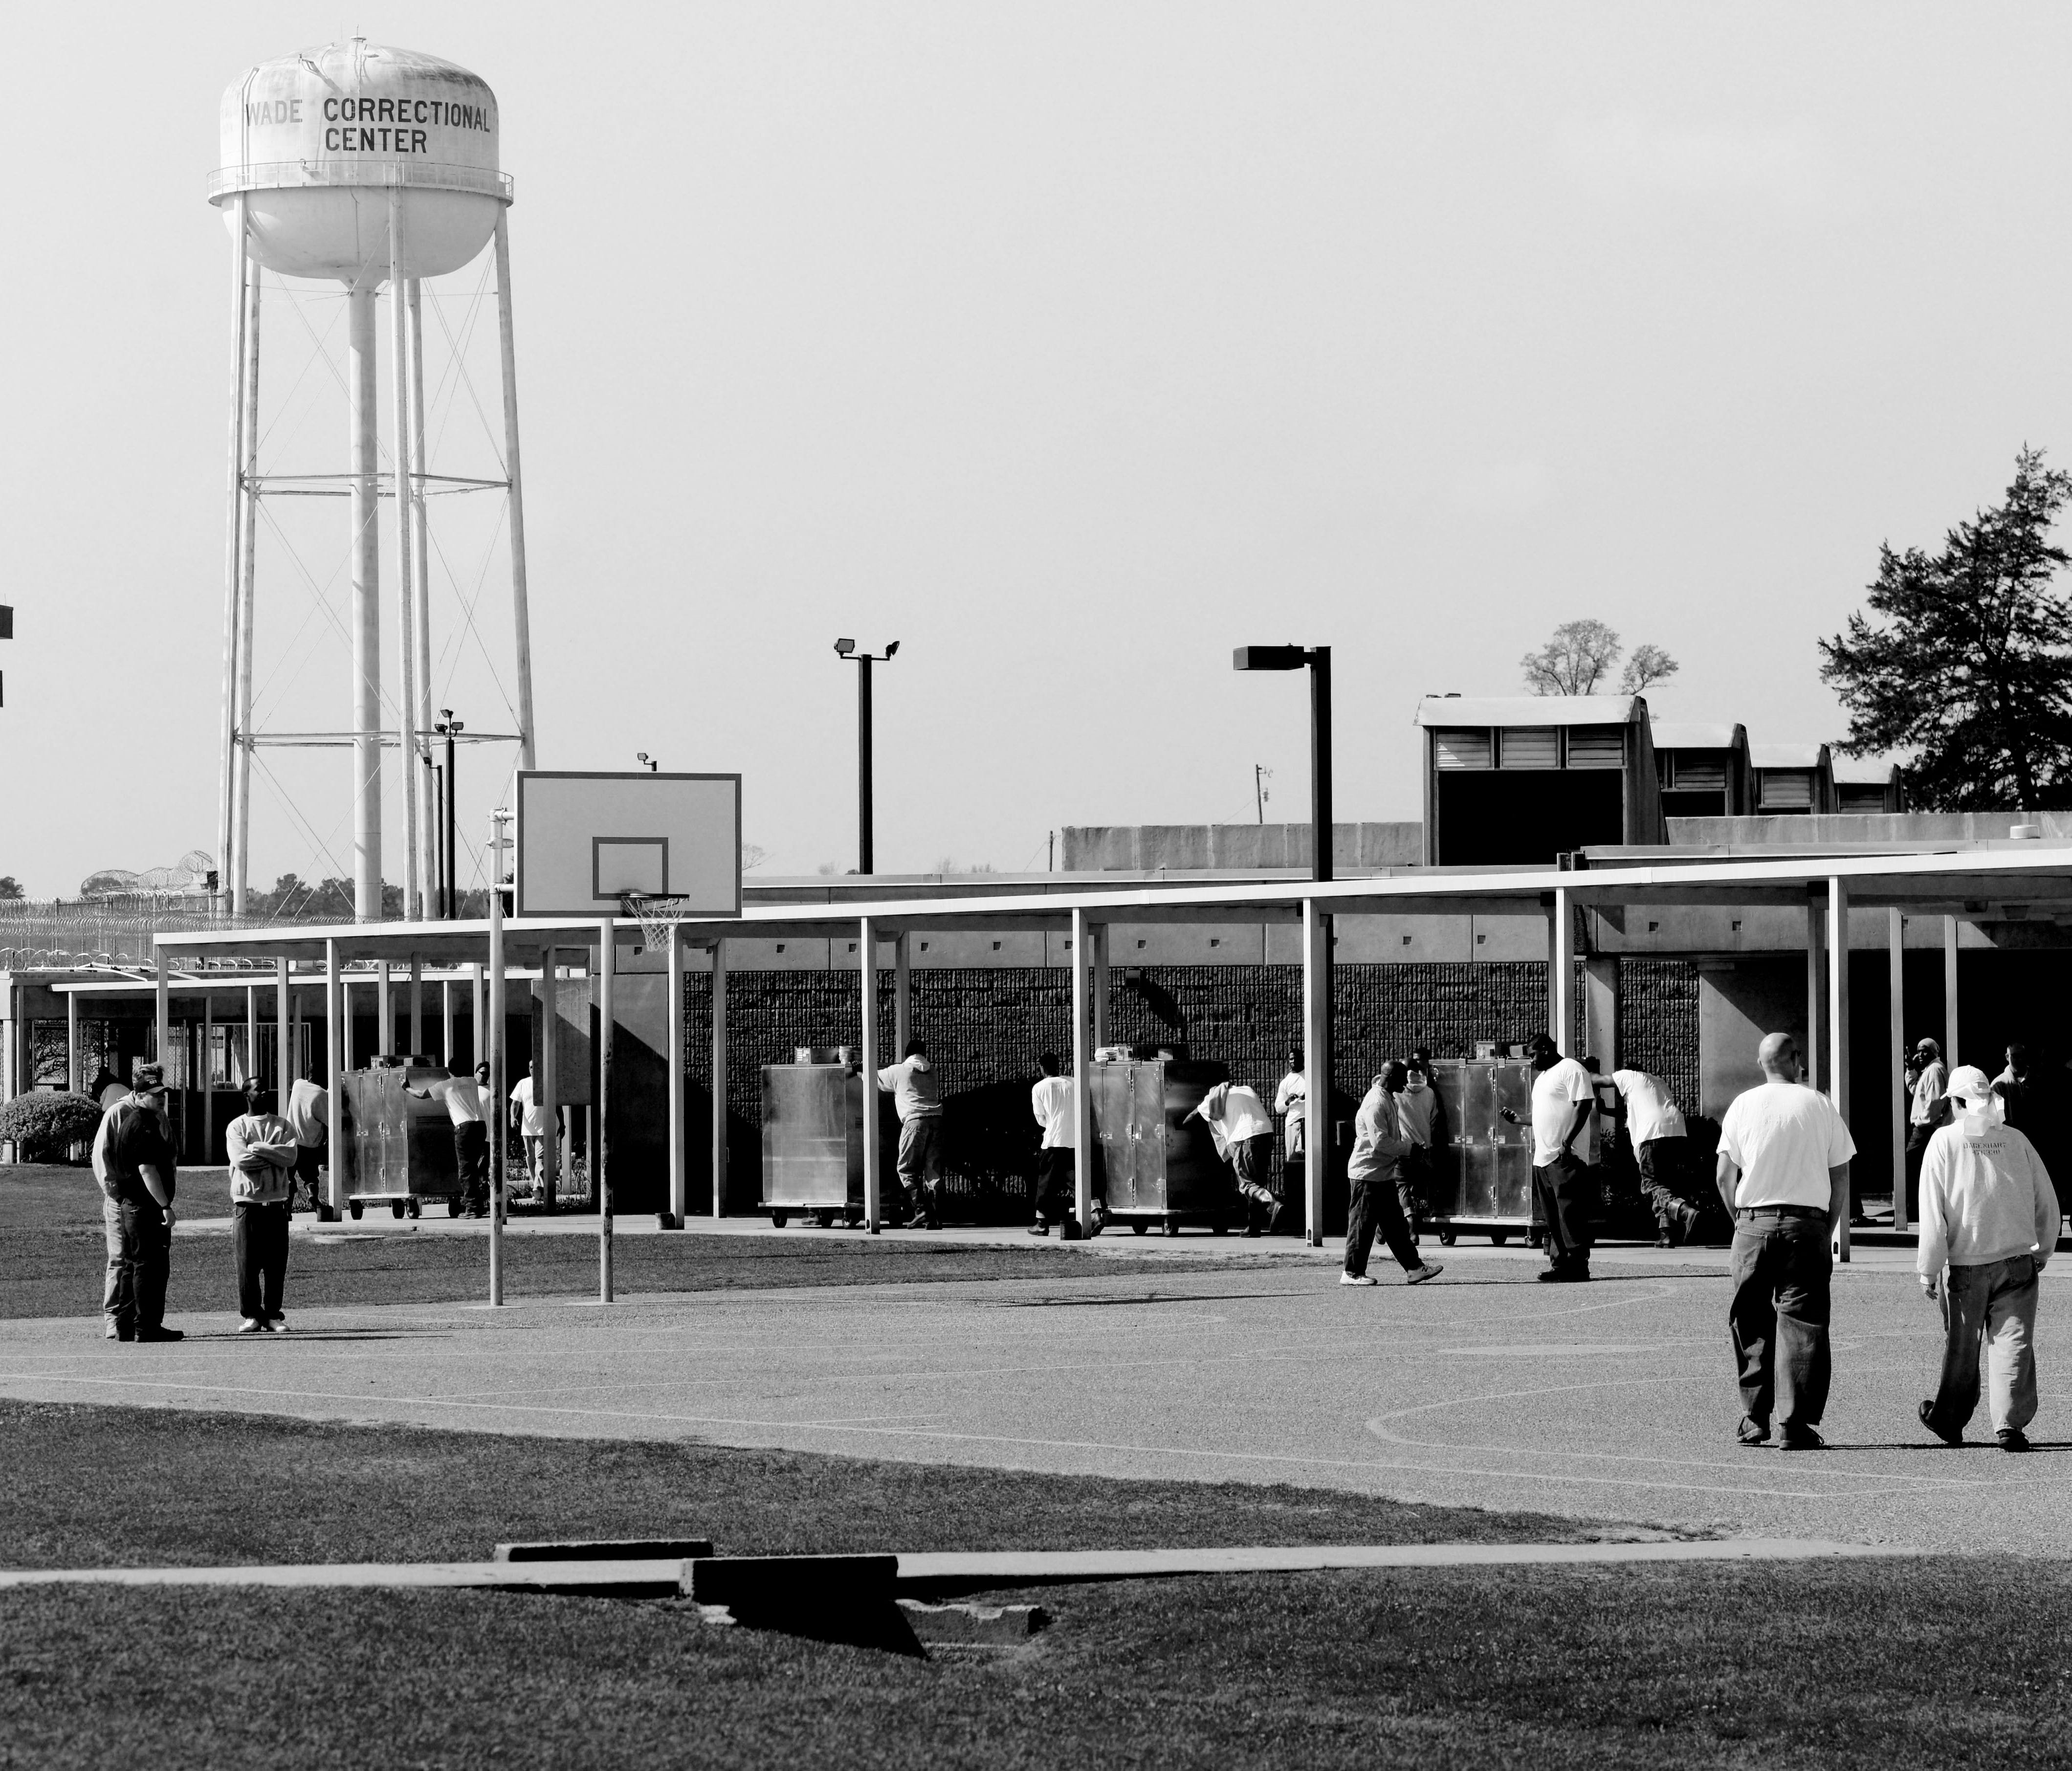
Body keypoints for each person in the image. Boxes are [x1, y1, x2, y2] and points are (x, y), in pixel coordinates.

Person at [1715, 1032, 1854, 1451]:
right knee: (1803, 1321)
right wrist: (1826, 1226)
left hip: (1753, 1223)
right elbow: (1840, 1175)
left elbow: (1724, 1176)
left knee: (1751, 1319)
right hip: (1806, 1224)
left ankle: (1754, 1417)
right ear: (1797, 1060)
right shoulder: (1819, 1105)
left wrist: (1741, 1222)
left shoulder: (1743, 1105)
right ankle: (1794, 1423)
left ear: (1761, 1064)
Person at [1916, 1065, 2059, 1452]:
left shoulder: (1944, 1142)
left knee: (1963, 1346)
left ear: (1956, 1102)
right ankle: (2010, 1424)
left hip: (1966, 1261)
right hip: (2017, 1259)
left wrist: (1929, 1268)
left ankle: (1949, 1419)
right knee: (2014, 1341)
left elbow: (1932, 1212)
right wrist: (2044, 1247)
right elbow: (2045, 1199)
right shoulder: (2016, 1139)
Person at [1501, 1034, 1597, 1283]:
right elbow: (1542, 1115)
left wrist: (1567, 1142)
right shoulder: (1543, 1079)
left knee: (1569, 1214)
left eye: (1533, 1055)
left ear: (1546, 1049)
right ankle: (1560, 1265)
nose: (1531, 1061)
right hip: (1543, 1159)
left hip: (1565, 1156)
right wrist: (1518, 1120)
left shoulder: (1571, 1069)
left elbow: (1584, 1105)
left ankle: (1578, 1266)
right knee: (1553, 1218)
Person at [100, 1064, 183, 1343]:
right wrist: (165, 1205)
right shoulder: (143, 1124)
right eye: (154, 1094)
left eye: (162, 1093)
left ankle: (125, 1326)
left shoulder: (140, 1120)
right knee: (150, 1267)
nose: (161, 1098)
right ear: (139, 1095)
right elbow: (147, 1170)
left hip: (133, 1206)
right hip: (143, 1207)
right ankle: (147, 1326)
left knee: (132, 1265)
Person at [1341, 1061, 1443, 1286]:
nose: (1405, 1085)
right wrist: (1409, 1149)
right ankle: (1352, 1272)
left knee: (1396, 1226)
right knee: (1361, 1225)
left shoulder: (1388, 1098)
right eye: (1402, 1080)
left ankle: (1414, 1269)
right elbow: (1379, 1142)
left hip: (1382, 1174)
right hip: (1367, 1174)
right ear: (1391, 1078)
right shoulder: (1377, 1103)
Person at [225, 1080, 299, 1333]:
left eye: (267, 1088)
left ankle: (273, 1315)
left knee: (276, 1265)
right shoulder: (237, 1126)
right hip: (247, 1205)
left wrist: (257, 1147)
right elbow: (241, 1160)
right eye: (259, 1089)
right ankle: (252, 1315)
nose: (265, 1092)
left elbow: (290, 1157)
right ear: (247, 1095)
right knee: (247, 1265)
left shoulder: (283, 1126)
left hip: (276, 1205)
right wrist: (274, 1155)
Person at [1610, 1066, 1702, 1247]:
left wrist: (1585, 1073)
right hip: (1676, 1132)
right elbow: (1627, 1113)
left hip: (1653, 1134)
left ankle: (1685, 1211)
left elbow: (1598, 1079)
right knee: (1664, 1185)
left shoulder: (1629, 1077)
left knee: (1651, 1185)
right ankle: (1666, 1235)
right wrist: (1605, 1110)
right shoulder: (1656, 1084)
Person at [1185, 1077, 1281, 1235]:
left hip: (1245, 1137)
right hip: (1266, 1134)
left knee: (1247, 1184)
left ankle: (1273, 1204)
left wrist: (1177, 1124)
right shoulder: (1247, 1090)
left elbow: (1193, 1117)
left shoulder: (1214, 1098)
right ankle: (1254, 1227)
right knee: (1257, 1184)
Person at [877, 1038, 946, 1229]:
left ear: (907, 1054)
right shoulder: (933, 1071)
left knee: (906, 1169)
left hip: (915, 1123)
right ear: (924, 1054)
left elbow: (874, 1078)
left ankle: (921, 1209)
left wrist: (859, 1070)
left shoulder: (899, 1070)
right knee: (933, 1171)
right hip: (937, 1121)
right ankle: (936, 1217)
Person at [89, 1078, 134, 1340]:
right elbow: (101, 1157)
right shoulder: (117, 1113)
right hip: (120, 1199)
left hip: (145, 1201)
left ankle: (137, 1315)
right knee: (119, 1258)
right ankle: (113, 1317)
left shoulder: (156, 1114)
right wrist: (115, 1193)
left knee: (140, 1259)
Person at [1392, 1054, 1449, 1244]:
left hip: (1402, 1149)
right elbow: (1434, 1120)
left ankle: (1410, 1224)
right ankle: (1401, 1224)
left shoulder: (1396, 1093)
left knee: (1401, 1187)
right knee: (1416, 1189)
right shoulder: (1429, 1092)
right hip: (1424, 1149)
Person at [1029, 1052, 1077, 1236]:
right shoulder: (1073, 1083)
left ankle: (1042, 1223)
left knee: (1046, 1183)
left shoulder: (1039, 1088)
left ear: (1042, 1068)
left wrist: (1052, 1124)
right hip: (1074, 1140)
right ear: (1059, 1065)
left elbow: (1041, 1119)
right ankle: (1094, 1211)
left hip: (1052, 1141)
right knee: (1076, 1180)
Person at [507, 1061, 562, 1207]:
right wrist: (513, 1118)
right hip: (528, 1129)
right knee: (531, 1160)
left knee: (540, 1159)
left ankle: (537, 1187)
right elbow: (515, 1104)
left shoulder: (547, 1083)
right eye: (531, 1067)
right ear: (529, 1069)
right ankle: (538, 1189)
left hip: (544, 1128)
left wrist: (562, 1124)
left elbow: (557, 1105)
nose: (533, 1069)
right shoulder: (523, 1084)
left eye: (536, 1067)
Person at [1905, 1038, 1949, 1221]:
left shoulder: (1935, 1070)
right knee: (1918, 1169)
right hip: (1926, 1127)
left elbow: (1935, 1102)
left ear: (1934, 1052)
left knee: (1909, 1167)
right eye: (1919, 1051)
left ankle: (1912, 1211)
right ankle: (1915, 1210)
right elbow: (1917, 1090)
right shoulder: (1929, 1071)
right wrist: (1911, 1069)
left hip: (1926, 1129)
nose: (1921, 1054)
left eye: (1925, 1050)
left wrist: (1922, 1122)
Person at [284, 1076, 328, 1215]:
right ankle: (312, 1195)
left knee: (288, 1178)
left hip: (291, 1142)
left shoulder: (298, 1085)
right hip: (310, 1146)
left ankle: (287, 1211)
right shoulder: (322, 1095)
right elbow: (329, 1120)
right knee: (311, 1178)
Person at [1273, 1046, 1307, 1217]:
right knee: (1294, 1163)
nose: (1294, 1062)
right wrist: (1289, 1101)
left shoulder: (1310, 1075)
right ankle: (1295, 1205)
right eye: (1291, 1059)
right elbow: (1278, 1107)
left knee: (1310, 1162)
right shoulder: (1286, 1082)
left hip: (1309, 1122)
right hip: (1293, 1124)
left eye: (1297, 1058)